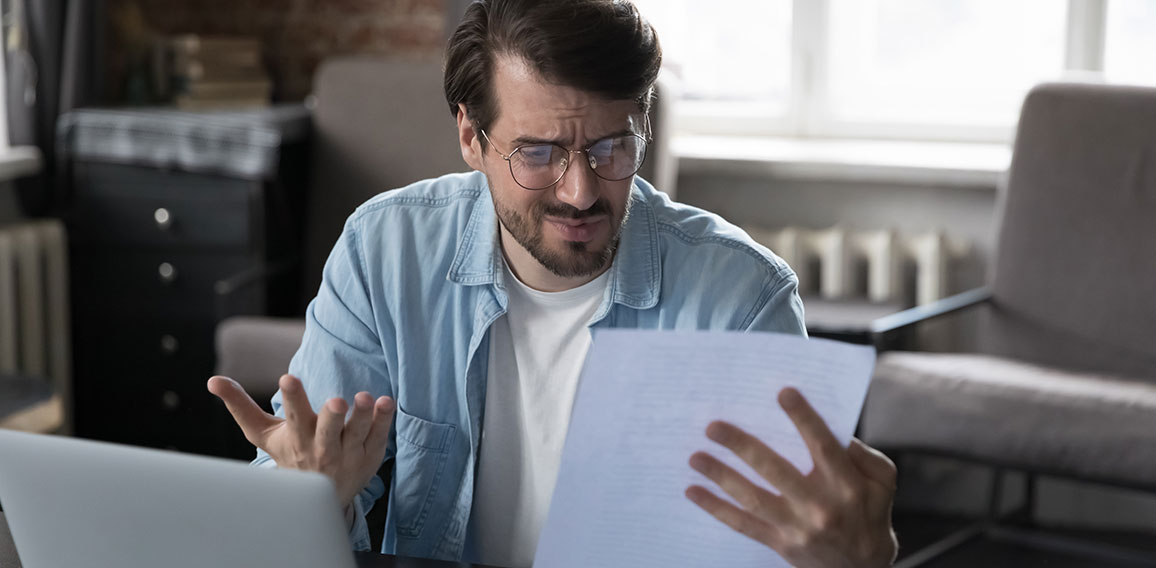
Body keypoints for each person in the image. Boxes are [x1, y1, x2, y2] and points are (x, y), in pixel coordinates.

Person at [207, 1, 898, 566]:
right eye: (538, 153)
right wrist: (310, 500)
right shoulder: (384, 250)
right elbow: (300, 480)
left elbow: (789, 540)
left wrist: (851, 561)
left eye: (611, 148)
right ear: (472, 138)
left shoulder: (741, 297)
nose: (580, 191)